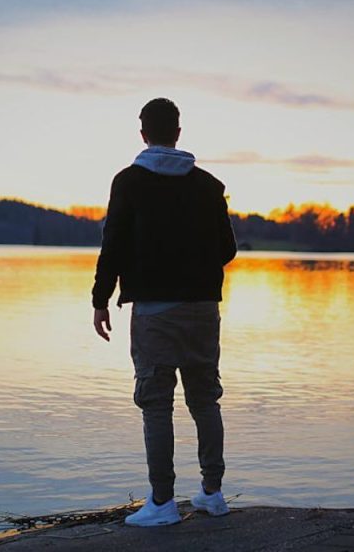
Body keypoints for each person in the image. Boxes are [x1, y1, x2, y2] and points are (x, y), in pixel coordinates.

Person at [91, 98, 237, 527]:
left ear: (143, 134)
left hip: (155, 311)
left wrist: (101, 299)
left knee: (156, 404)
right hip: (204, 309)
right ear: (177, 132)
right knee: (205, 399)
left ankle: (162, 503)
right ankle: (213, 493)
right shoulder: (209, 185)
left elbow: (113, 243)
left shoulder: (129, 182)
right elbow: (227, 249)